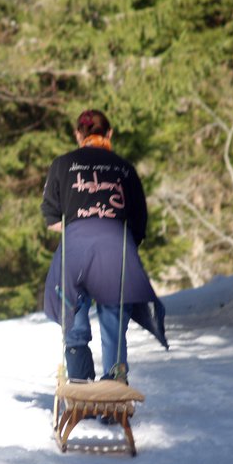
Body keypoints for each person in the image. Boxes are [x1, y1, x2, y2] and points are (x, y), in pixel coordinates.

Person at [42, 109, 168, 383]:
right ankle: (114, 382)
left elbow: (52, 220)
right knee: (113, 319)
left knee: (73, 310)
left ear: (78, 135)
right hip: (116, 247)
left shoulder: (62, 165)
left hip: (75, 248)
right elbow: (138, 224)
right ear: (109, 134)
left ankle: (78, 381)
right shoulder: (125, 169)